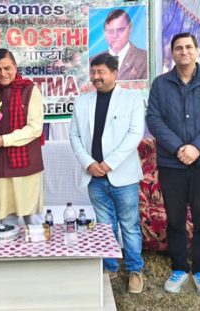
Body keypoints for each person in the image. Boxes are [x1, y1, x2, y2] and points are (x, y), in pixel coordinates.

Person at [145, 32, 200, 296]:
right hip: (172, 163)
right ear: (172, 52)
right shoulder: (160, 84)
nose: (184, 51)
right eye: (178, 47)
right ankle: (180, 266)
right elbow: (154, 119)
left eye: (189, 47)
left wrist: (197, 147)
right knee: (176, 218)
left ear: (197, 51)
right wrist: (179, 148)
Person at [69, 53, 146, 293]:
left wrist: (109, 163)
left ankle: (135, 269)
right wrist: (89, 163)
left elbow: (135, 134)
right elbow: (74, 136)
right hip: (94, 176)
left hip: (123, 176)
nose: (96, 77)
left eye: (101, 72)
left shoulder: (132, 98)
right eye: (93, 72)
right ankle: (110, 267)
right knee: (104, 225)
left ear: (115, 73)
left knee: (130, 225)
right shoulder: (82, 102)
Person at [0, 49, 45, 225]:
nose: (3, 73)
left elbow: (35, 129)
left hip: (27, 164)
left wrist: (2, 140)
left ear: (15, 67)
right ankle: (9, 252)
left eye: (7, 68)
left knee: (32, 220)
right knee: (6, 218)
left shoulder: (30, 90)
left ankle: (36, 252)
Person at [94, 9, 147, 80]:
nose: (115, 35)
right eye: (110, 31)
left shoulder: (144, 59)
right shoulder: (92, 61)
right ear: (104, 32)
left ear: (130, 28)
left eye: (120, 30)